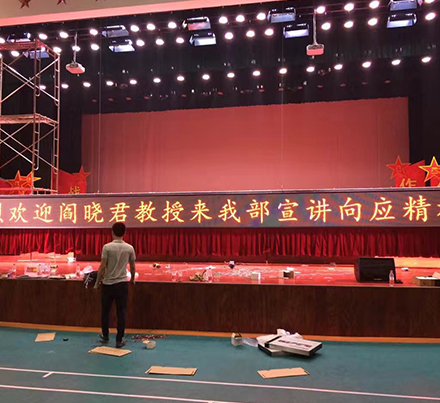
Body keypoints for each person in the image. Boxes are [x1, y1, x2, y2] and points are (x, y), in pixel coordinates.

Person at [94, 222, 136, 348]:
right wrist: (132, 279)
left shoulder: (107, 247)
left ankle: (105, 335)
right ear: (124, 233)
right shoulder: (129, 248)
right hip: (122, 284)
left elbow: (102, 266)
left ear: (112, 232)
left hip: (108, 284)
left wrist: (97, 282)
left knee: (105, 311)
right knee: (121, 312)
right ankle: (119, 339)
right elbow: (132, 266)